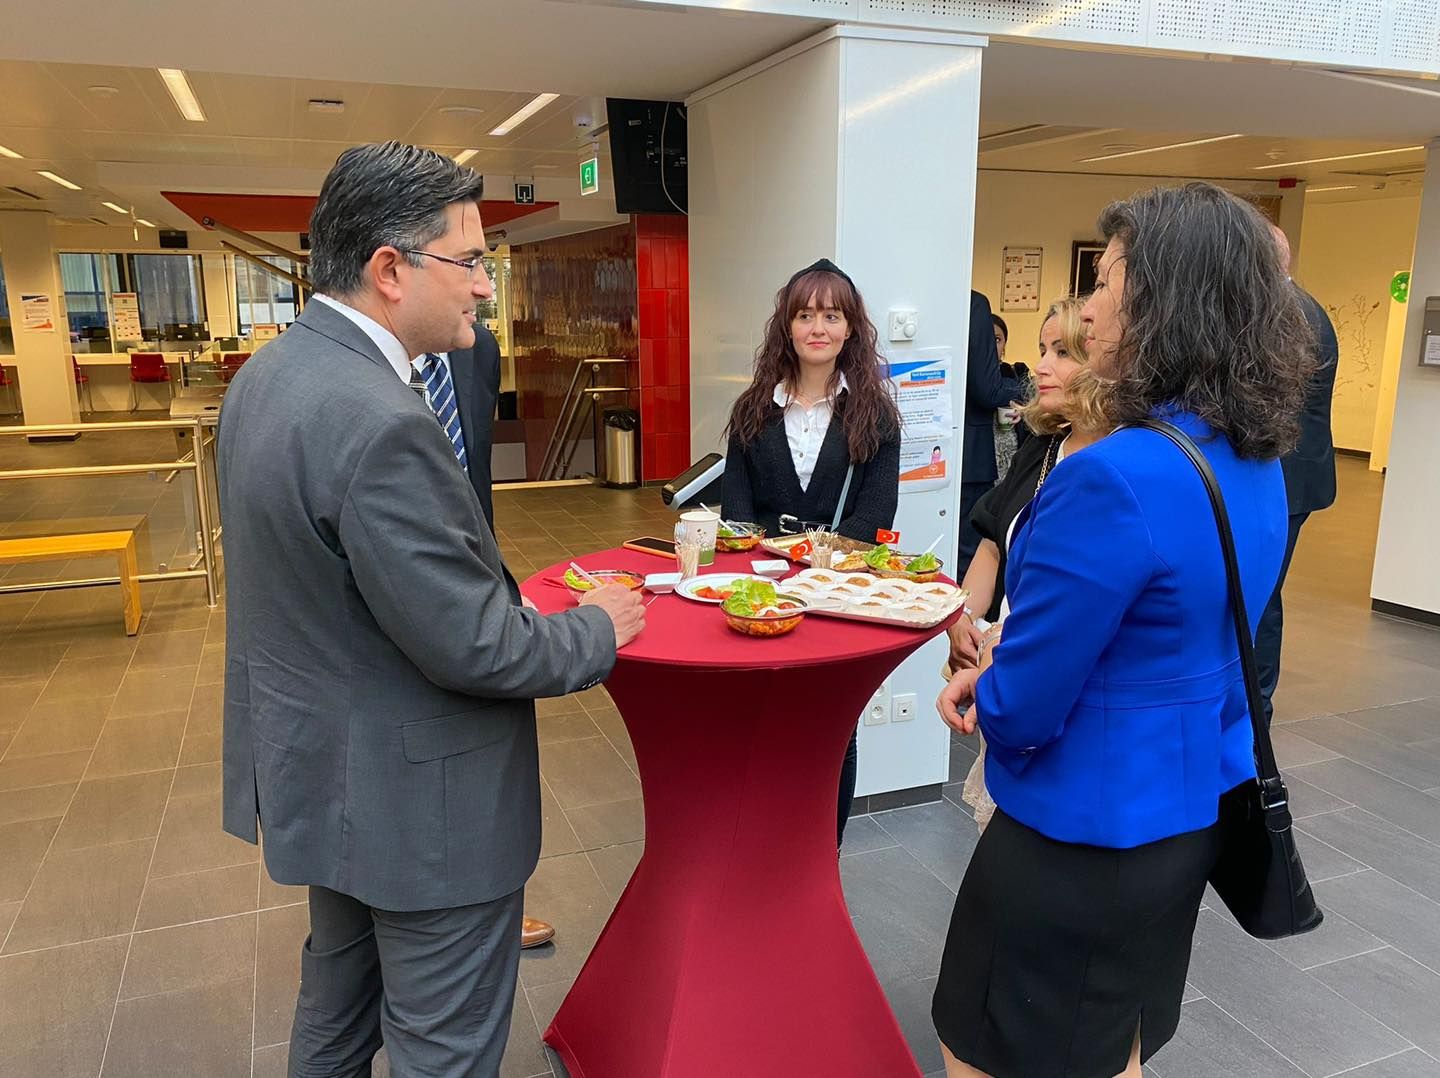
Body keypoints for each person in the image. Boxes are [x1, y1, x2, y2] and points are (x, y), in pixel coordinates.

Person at [218, 141, 646, 1078]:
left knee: (334, 1022)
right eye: (470, 261)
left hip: (323, 778)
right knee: (443, 1049)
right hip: (422, 814)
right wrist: (597, 627)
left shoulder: (267, 379)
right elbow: (478, 647)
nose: (486, 287)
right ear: (389, 269)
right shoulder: (382, 422)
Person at [932, 182, 1312, 1078]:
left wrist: (989, 683)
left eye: (1106, 282)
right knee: (1111, 1045)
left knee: (982, 1044)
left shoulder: (1111, 476)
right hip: (1182, 814)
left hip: (1076, 836)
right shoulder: (1252, 459)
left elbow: (1026, 708)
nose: (1092, 305)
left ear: (1165, 304)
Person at [721, 258, 901, 847]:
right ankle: (762, 844)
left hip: (835, 600)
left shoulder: (876, 415)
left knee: (834, 729)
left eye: (831, 315)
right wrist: (775, 571)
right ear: (787, 326)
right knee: (761, 723)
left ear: (851, 328)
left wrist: (814, 567)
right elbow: (737, 518)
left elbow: (875, 518)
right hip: (764, 601)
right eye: (804, 315)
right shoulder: (752, 410)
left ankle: (825, 850)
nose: (817, 328)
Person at [946, 297, 1109, 831]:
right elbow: (993, 542)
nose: (1040, 366)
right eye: (1042, 349)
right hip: (1008, 671)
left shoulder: (1121, 463)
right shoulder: (1042, 447)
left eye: (1062, 352)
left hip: (1067, 694)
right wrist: (964, 620)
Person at [432, 324, 555, 951]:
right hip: (389, 580)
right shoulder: (360, 361)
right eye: (470, 272)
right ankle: (429, 919)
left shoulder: (476, 349)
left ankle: (495, 908)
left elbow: (471, 475)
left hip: (473, 573)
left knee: (483, 749)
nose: (484, 286)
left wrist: (491, 578)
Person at [1256, 225, 1339, 726]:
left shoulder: (1286, 315)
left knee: (1261, 597)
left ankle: (1257, 710)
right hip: (1290, 474)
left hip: (1285, 477)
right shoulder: (1298, 307)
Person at [957, 292, 1024, 574]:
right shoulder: (973, 303)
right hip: (971, 459)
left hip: (928, 453)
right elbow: (988, 390)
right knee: (968, 556)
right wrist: (1031, 391)